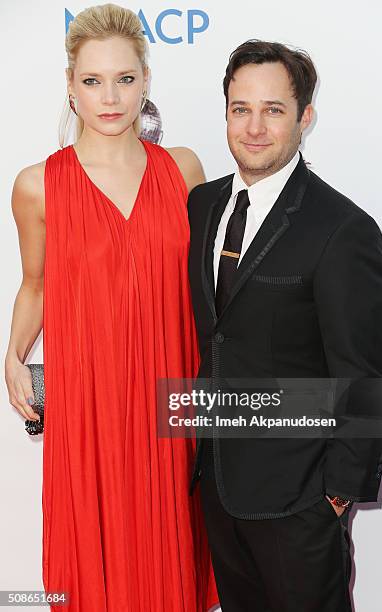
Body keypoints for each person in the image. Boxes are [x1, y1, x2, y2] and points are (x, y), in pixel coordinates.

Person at [4, 4, 219, 611]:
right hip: (88, 407)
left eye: (125, 79)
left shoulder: (183, 170)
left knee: (170, 558)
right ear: (70, 87)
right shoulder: (37, 185)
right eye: (93, 81)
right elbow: (35, 286)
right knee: (94, 565)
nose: (110, 97)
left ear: (145, 80)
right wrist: (14, 357)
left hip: (171, 406)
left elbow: (207, 290)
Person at [187, 40, 382, 611]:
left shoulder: (342, 228)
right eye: (240, 108)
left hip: (300, 500)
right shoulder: (202, 207)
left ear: (305, 117)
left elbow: (363, 375)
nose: (254, 127)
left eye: (273, 110)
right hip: (218, 488)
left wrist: (336, 496)